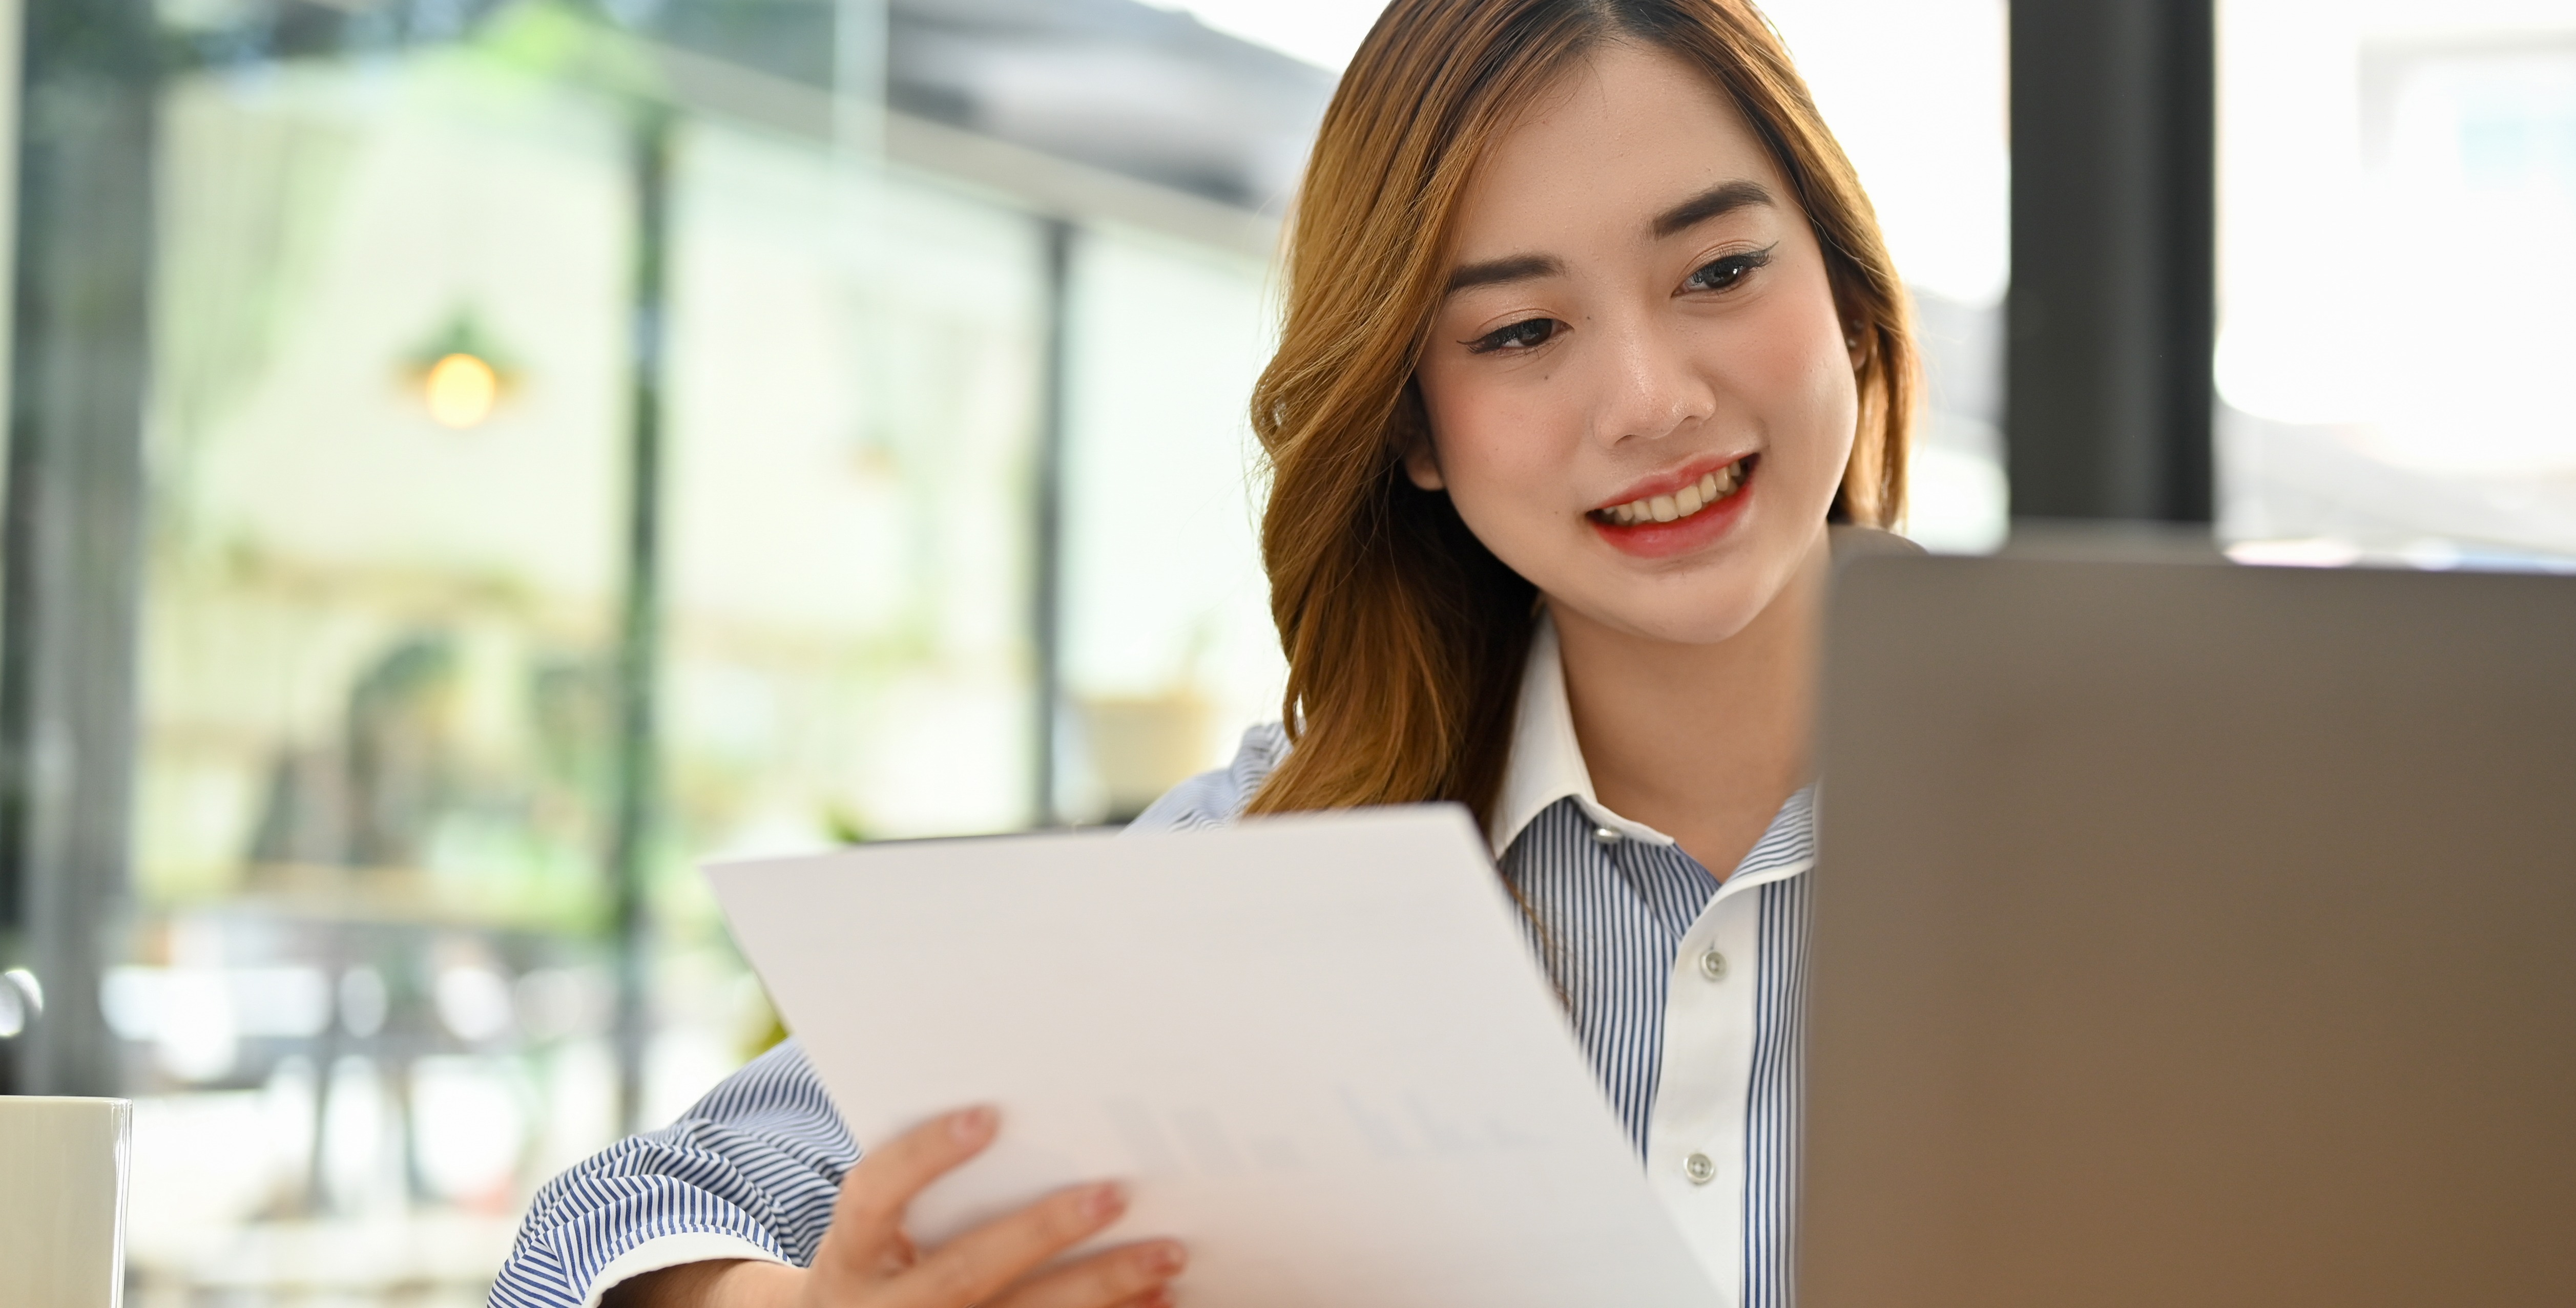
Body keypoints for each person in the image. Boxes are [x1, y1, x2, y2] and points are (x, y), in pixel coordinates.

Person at [487, 0, 1917, 1304]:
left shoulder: (2123, 818)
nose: (1650, 399)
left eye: (1720, 269)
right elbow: (588, 1235)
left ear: (1848, 298)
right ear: (1412, 425)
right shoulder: (1275, 859)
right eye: (1523, 329)